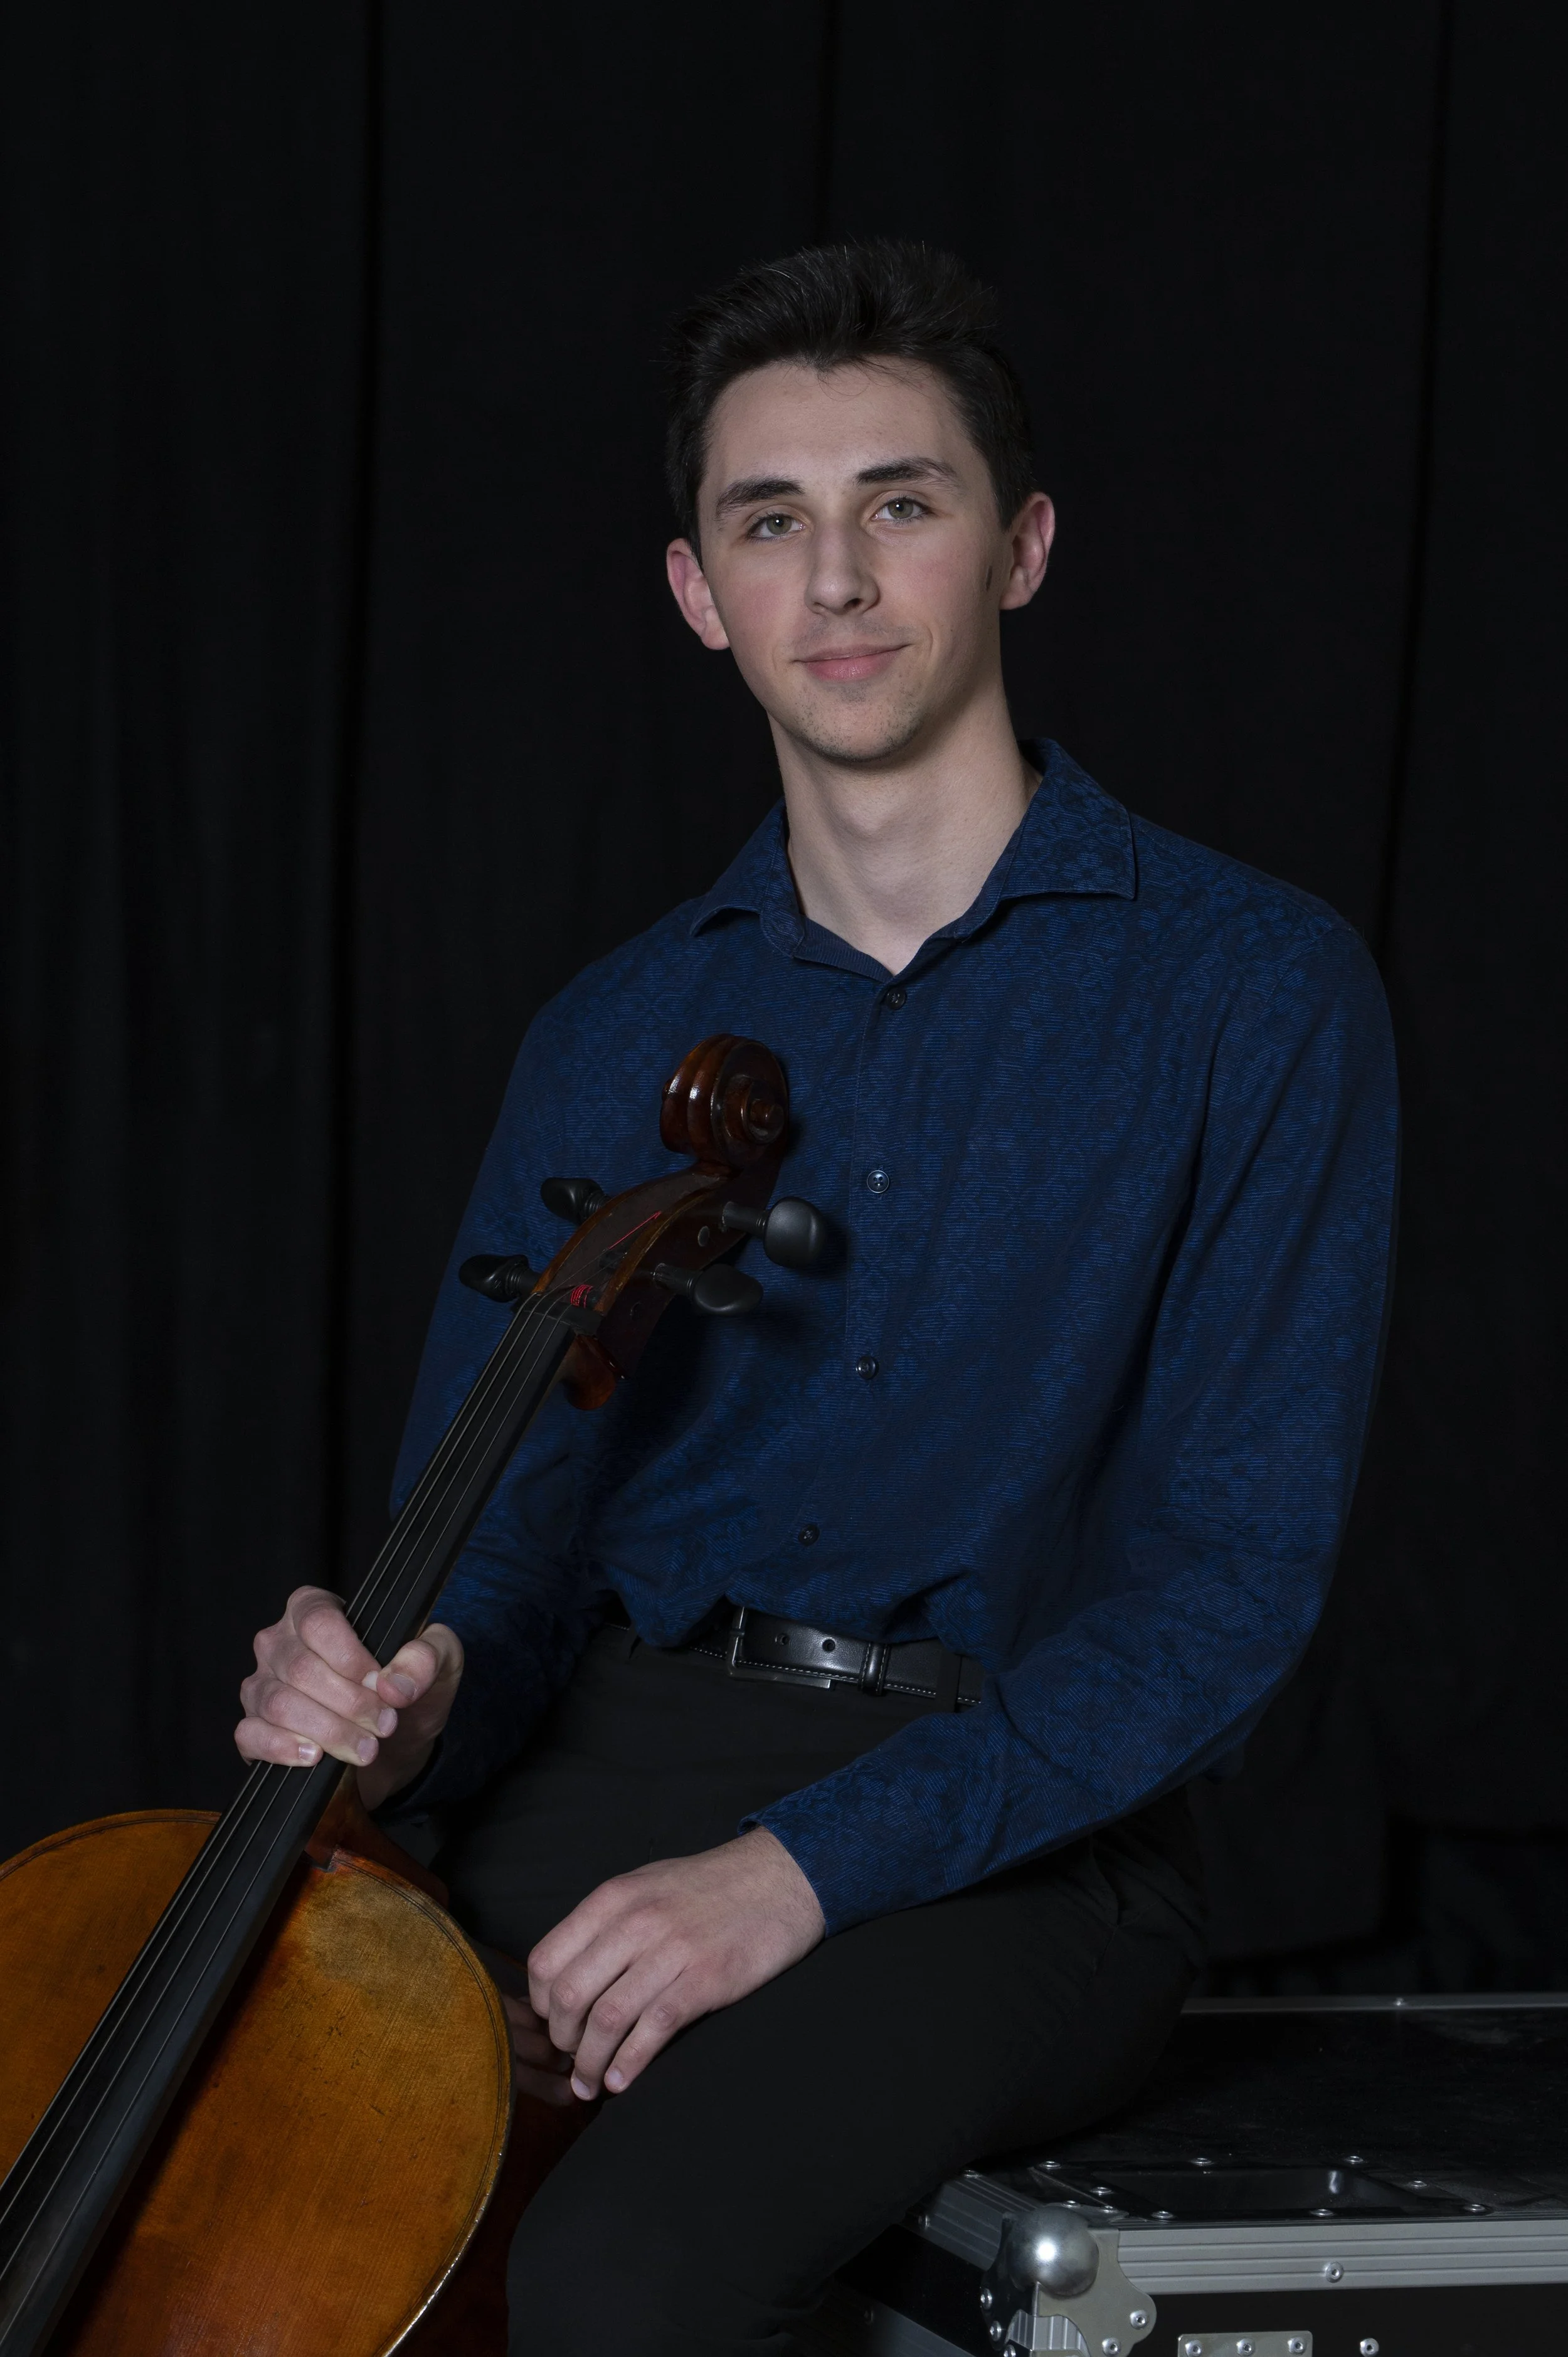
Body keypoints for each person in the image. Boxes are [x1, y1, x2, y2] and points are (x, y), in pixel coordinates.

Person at [235, 241, 1398, 2355]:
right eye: (770, 521)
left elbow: (1226, 1592)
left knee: (622, 2276)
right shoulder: (612, 1033)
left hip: (1015, 1833)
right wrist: (408, 1702)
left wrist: (794, 1871)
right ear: (700, 592)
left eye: (901, 502)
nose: (837, 578)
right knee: (238, 2176)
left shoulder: (1249, 987)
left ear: (1018, 547)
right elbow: (500, 1560)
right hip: (606, 1767)